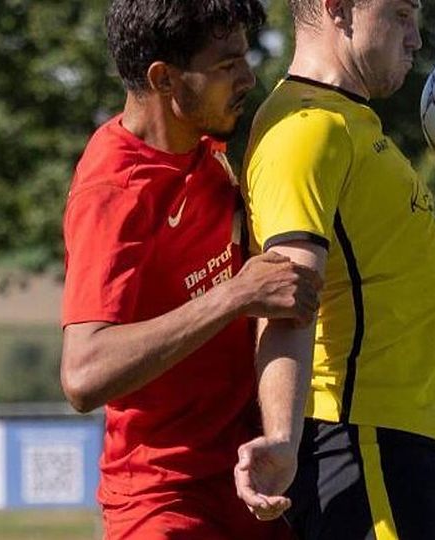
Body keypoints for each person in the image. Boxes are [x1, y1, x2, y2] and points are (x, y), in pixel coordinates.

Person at [58, 1, 320, 538]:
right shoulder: (113, 191)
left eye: (246, 56)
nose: (248, 77)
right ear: (164, 78)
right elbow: (83, 375)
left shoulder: (209, 150)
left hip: (250, 483)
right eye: (227, 64)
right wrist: (236, 295)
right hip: (161, 498)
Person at [234, 0, 435, 538]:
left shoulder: (349, 121)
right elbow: (284, 295)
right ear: (339, 10)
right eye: (400, 15)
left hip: (411, 444)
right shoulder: (304, 130)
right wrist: (280, 434)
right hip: (365, 441)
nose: (415, 38)